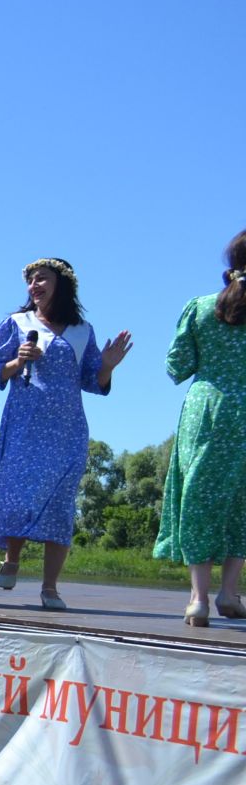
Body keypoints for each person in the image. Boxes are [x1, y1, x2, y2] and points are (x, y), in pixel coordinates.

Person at [0, 258, 132, 609]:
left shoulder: (81, 330)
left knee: (60, 503)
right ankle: (11, 559)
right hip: (25, 422)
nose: (33, 285)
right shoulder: (17, 323)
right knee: (18, 493)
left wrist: (107, 365)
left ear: (61, 284)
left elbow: (91, 381)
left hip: (67, 429)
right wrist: (18, 360)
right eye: (29, 281)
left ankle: (50, 588)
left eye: (41, 278)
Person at [154, 230, 246, 626]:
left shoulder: (201, 307)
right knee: (241, 499)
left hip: (205, 407)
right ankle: (229, 592)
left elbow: (177, 366)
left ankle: (197, 598)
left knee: (198, 494)